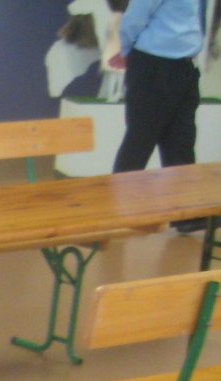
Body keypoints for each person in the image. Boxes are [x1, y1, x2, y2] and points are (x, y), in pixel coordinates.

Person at [110, 0, 208, 229]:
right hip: (154, 66)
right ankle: (116, 211)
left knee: (181, 142)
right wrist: (126, 52)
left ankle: (185, 216)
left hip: (184, 67)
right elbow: (134, 18)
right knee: (140, 139)